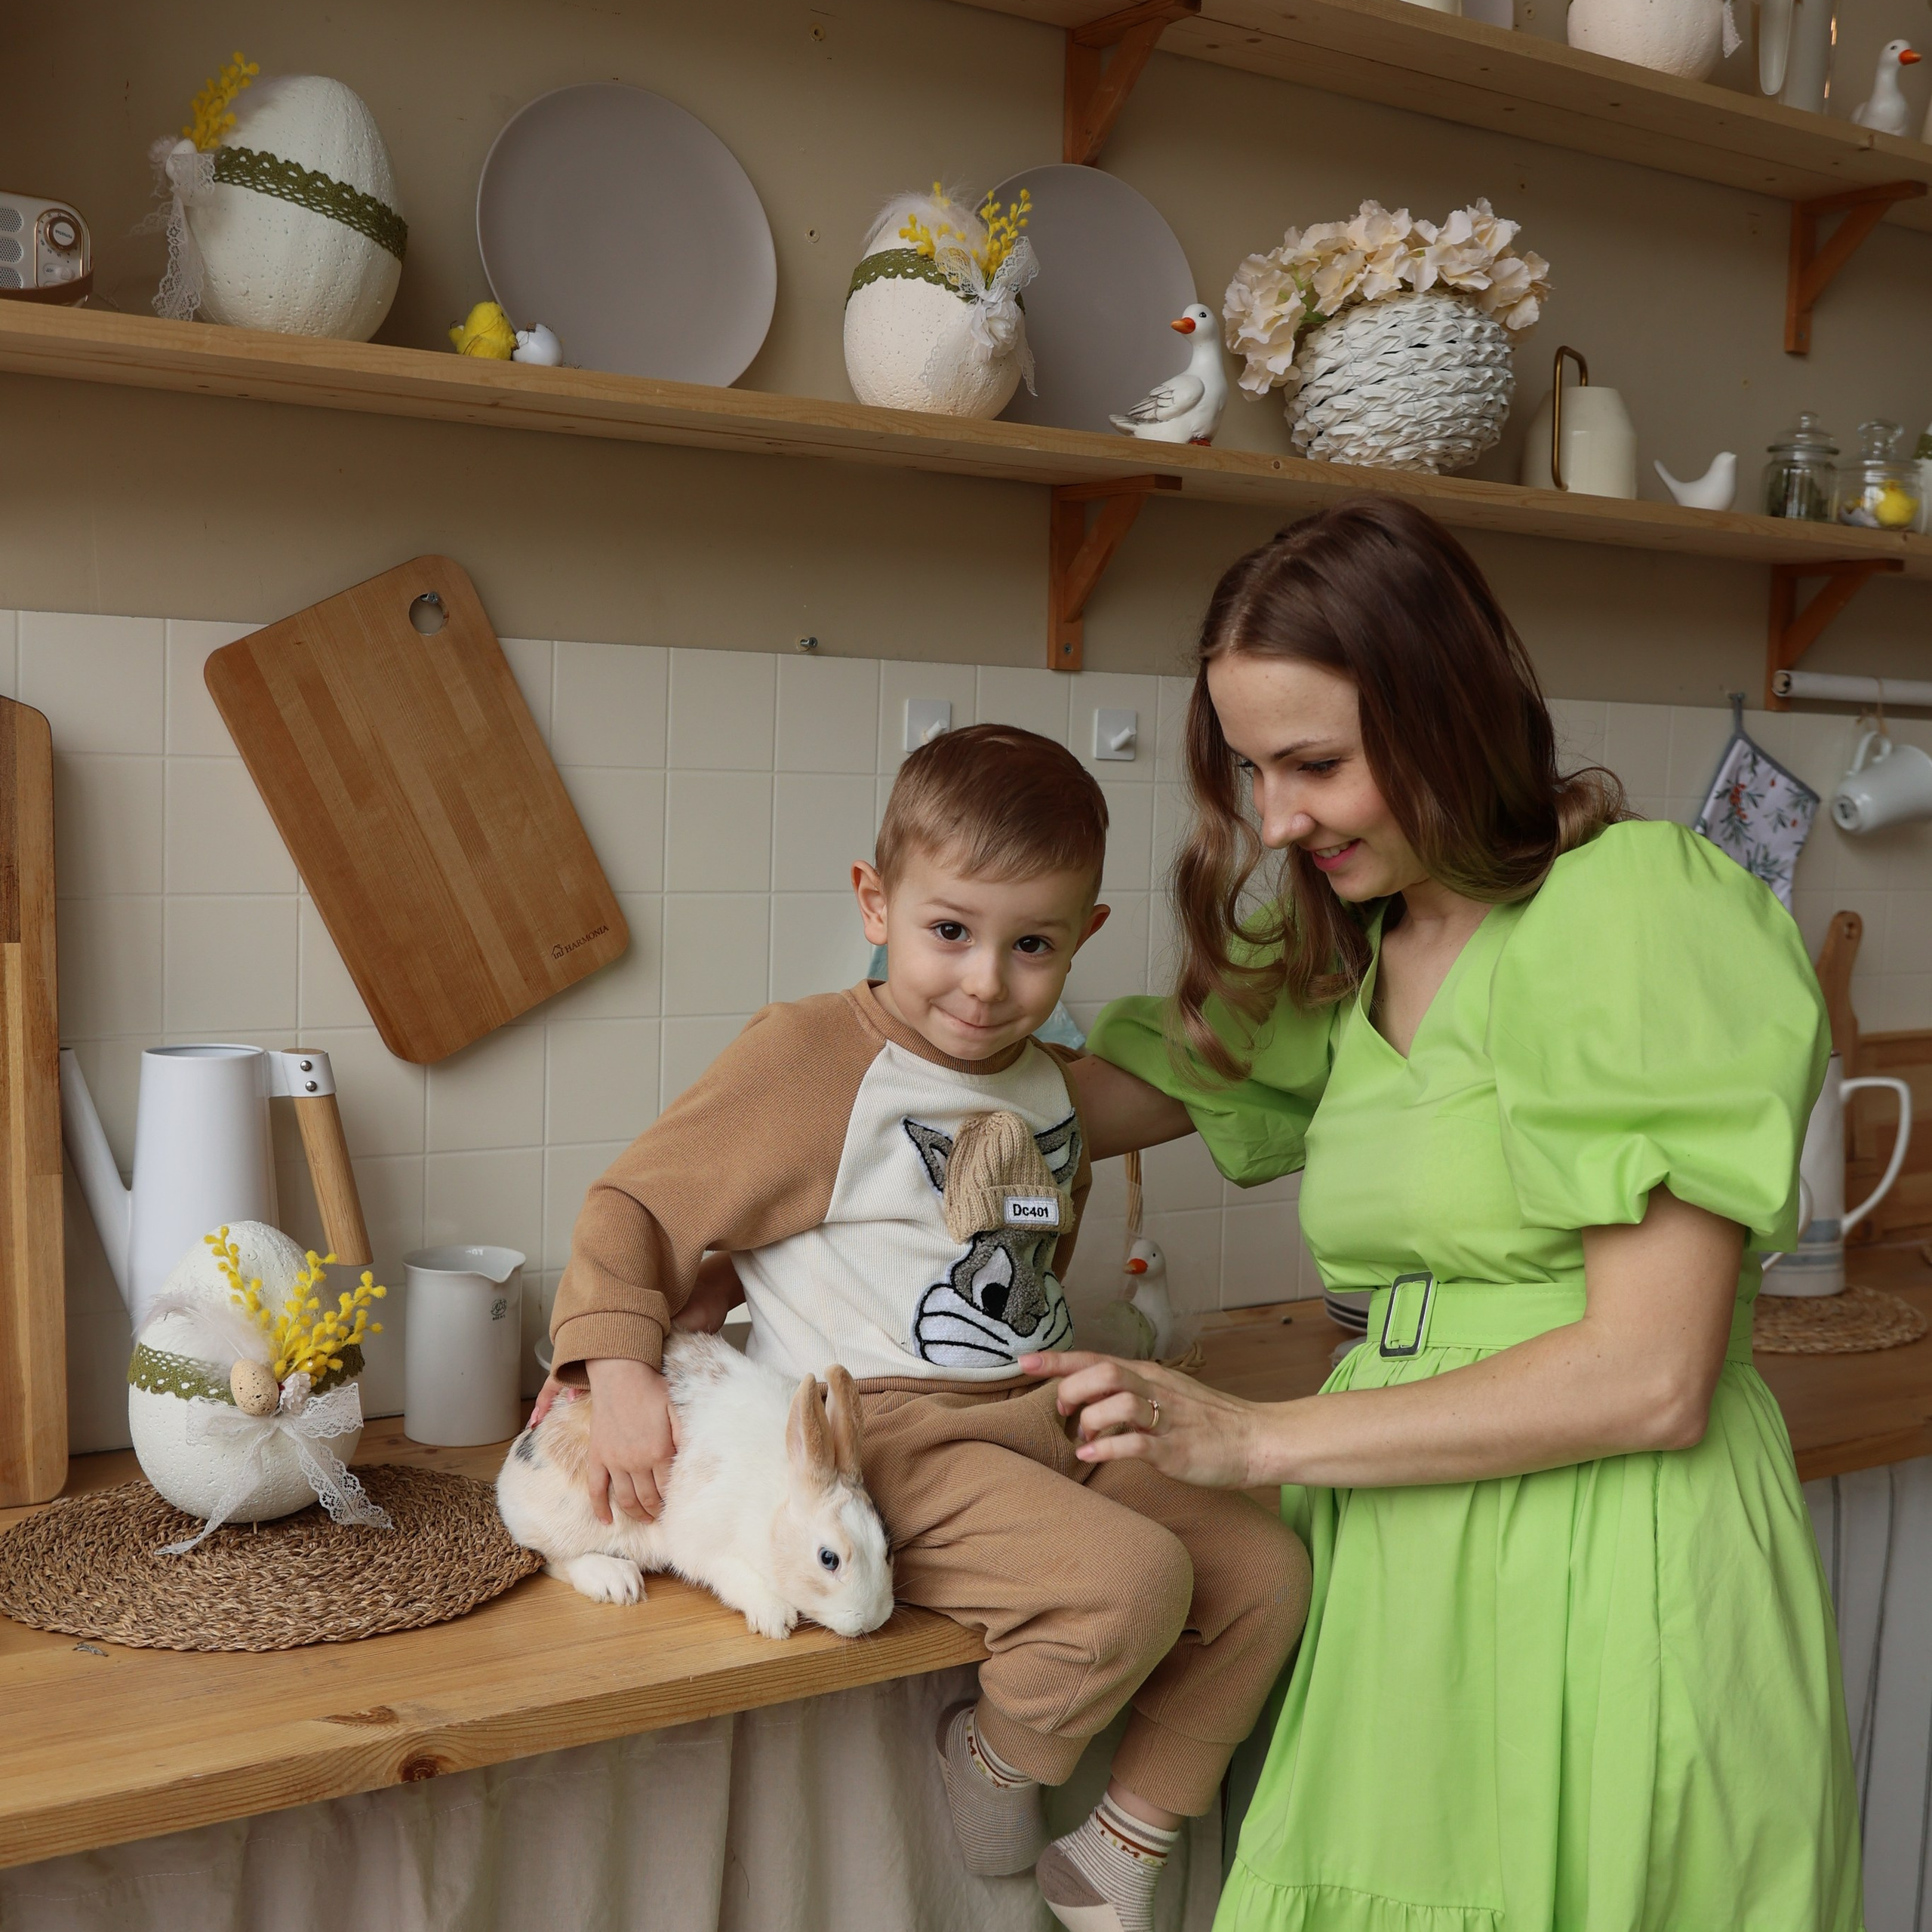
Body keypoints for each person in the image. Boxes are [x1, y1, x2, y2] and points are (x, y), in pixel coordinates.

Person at [1026, 499, 1863, 1931]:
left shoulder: (1632, 908)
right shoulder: (1350, 942)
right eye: (1250, 769)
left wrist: (1253, 1437)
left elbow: (1652, 1377)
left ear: (1446, 715)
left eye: (1317, 764)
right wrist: (864, 1072)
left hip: (1613, 1550)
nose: (1277, 817)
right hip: (1406, 1549)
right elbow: (1085, 1098)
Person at [543, 723, 1311, 1932]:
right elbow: (637, 1202)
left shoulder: (1047, 1078)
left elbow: (1212, 1073)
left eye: (1033, 945)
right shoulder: (810, 1059)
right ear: (874, 902)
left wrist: (1343, 959)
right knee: (1134, 1581)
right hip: (891, 1438)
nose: (986, 981)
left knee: (1266, 1573)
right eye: (949, 931)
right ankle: (996, 1762)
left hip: (1051, 1410)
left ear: (1084, 938)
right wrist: (619, 1362)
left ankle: (1126, 1844)